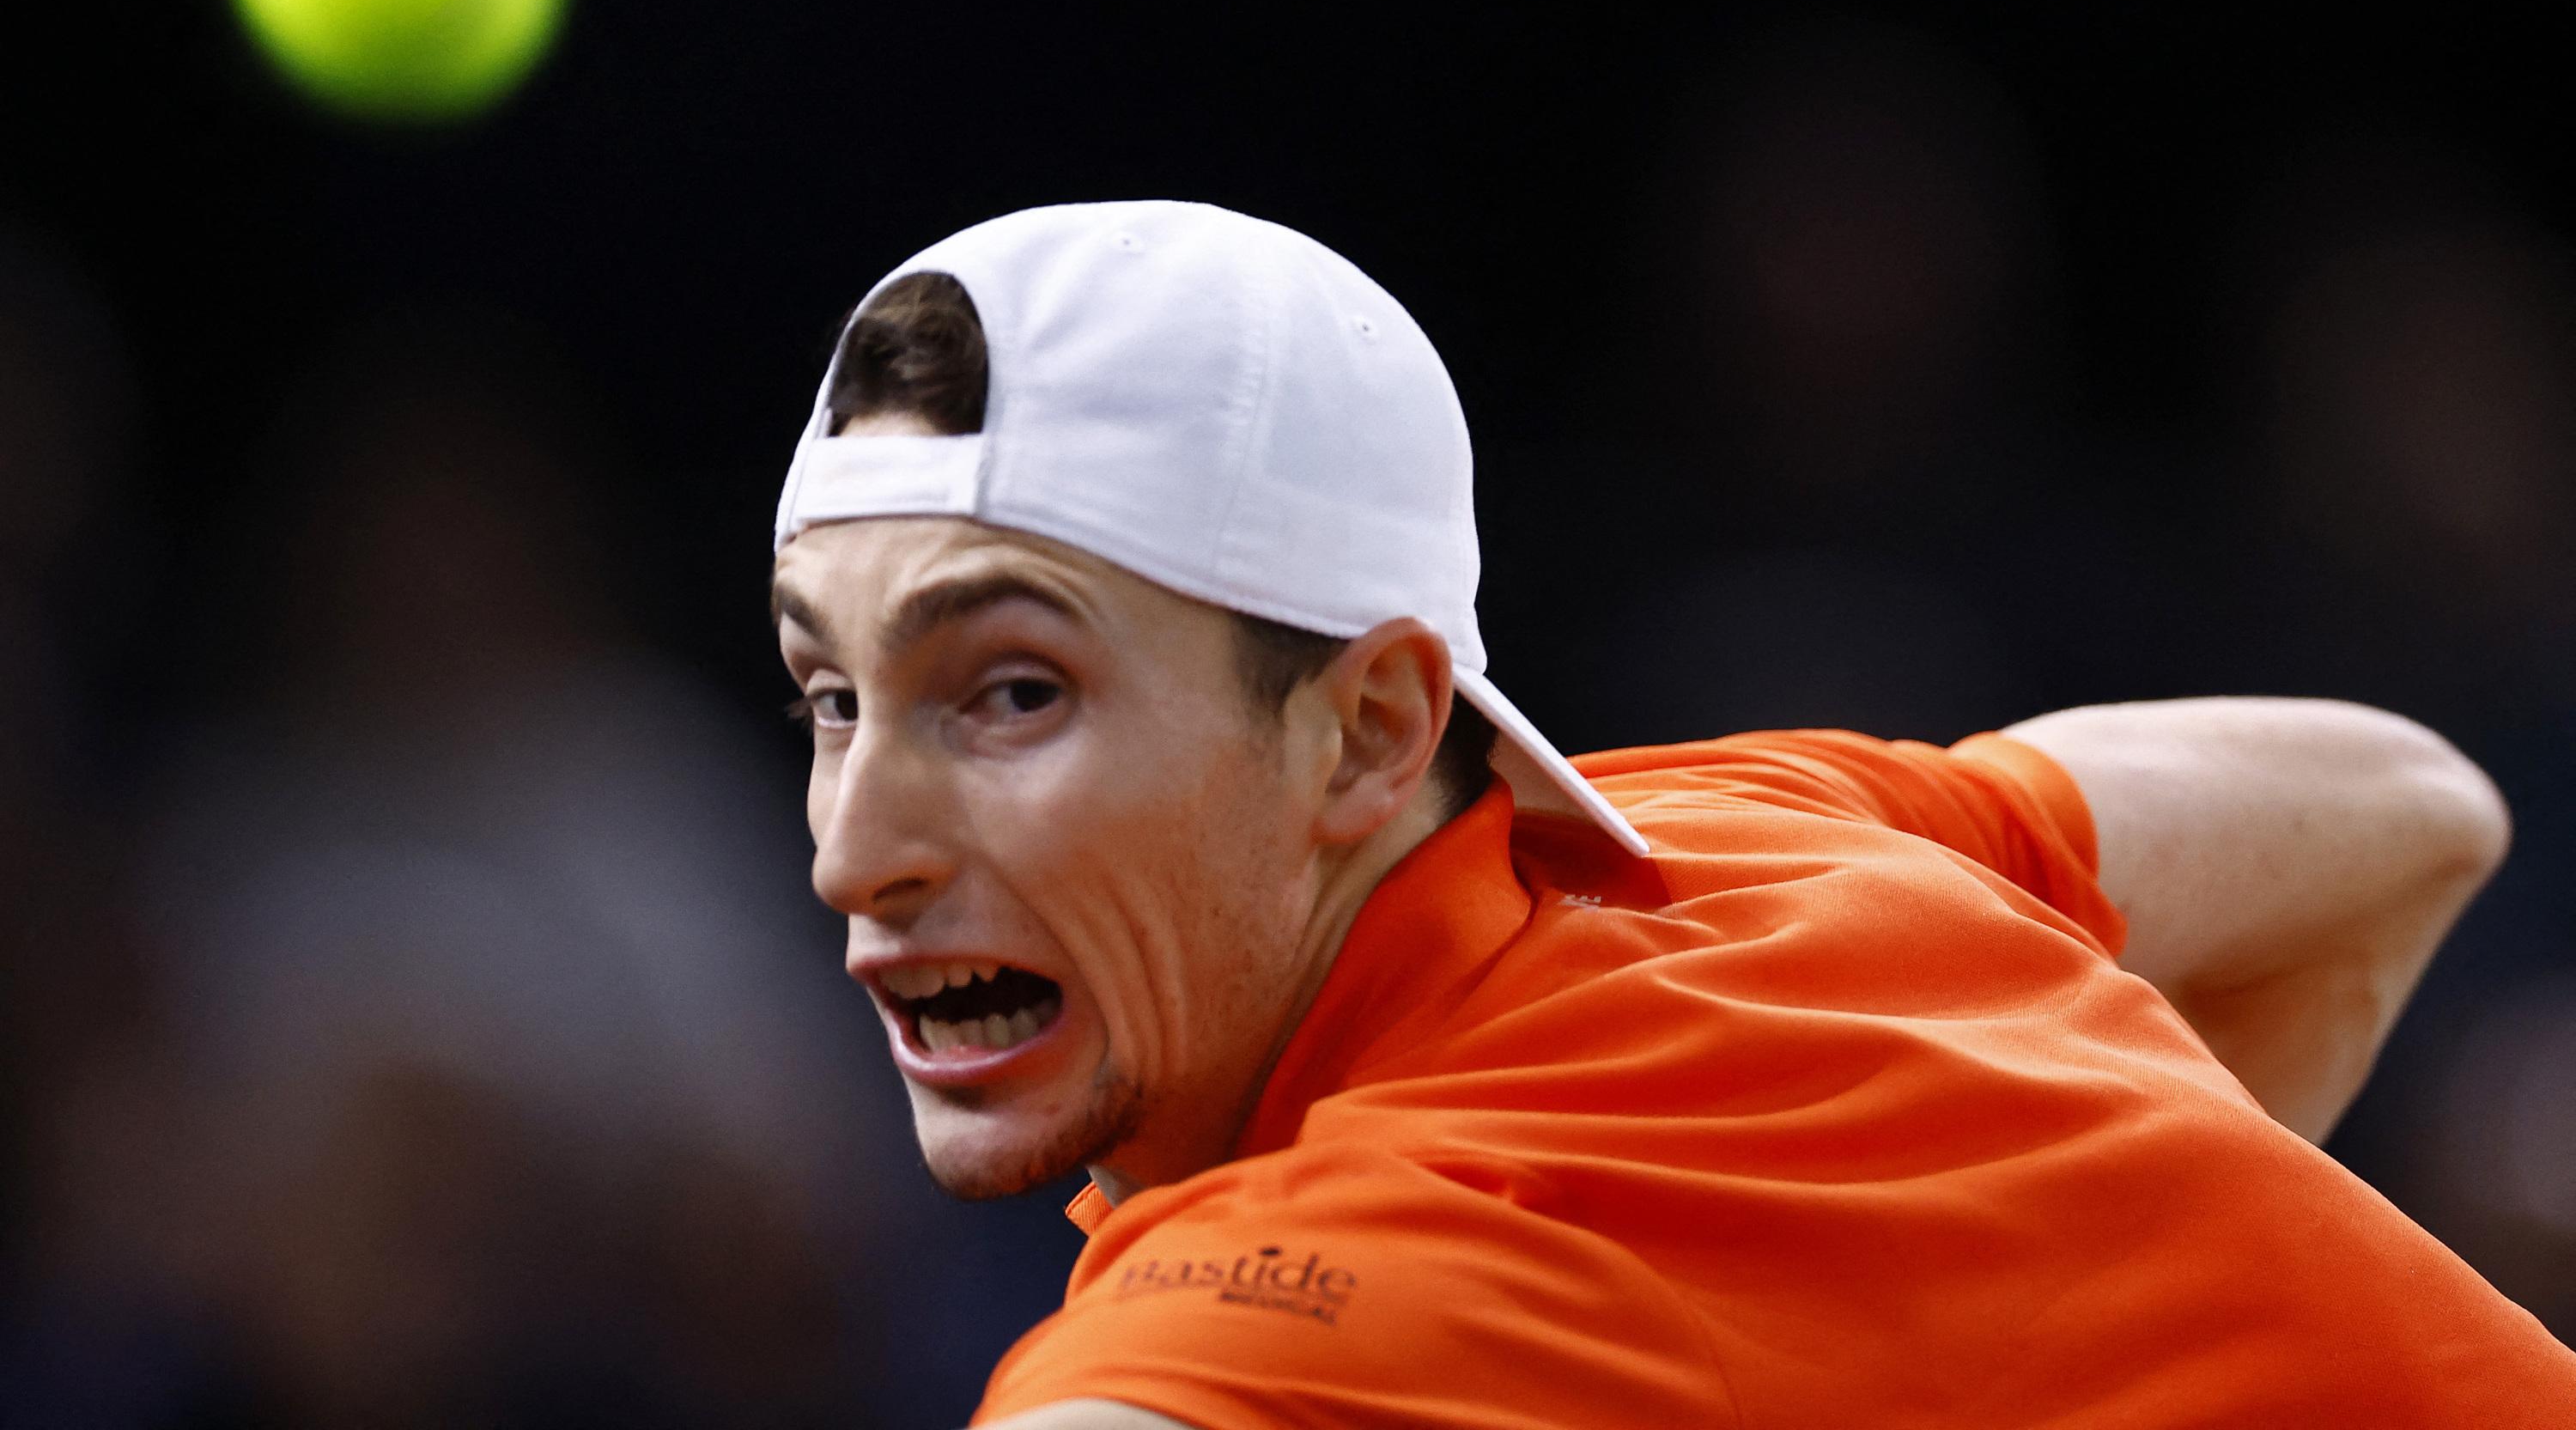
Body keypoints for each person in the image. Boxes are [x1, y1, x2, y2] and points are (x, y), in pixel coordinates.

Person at [767, 200, 2576, 1428]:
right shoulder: (1788, 831)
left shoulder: (1274, 1319)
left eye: (1012, 692)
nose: (857, 846)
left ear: (1368, 732)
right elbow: (2402, 806)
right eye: (833, 697)